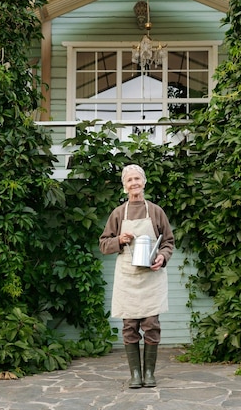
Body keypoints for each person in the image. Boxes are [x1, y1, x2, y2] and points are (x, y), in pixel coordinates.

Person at [99, 164, 174, 388]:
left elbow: (168, 241)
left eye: (137, 179)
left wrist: (162, 257)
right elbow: (104, 244)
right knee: (129, 326)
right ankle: (135, 375)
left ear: (144, 182)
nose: (134, 183)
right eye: (129, 180)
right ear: (124, 186)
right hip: (128, 277)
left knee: (151, 324)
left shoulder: (157, 211)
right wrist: (119, 240)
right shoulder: (118, 214)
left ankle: (149, 372)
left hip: (151, 278)